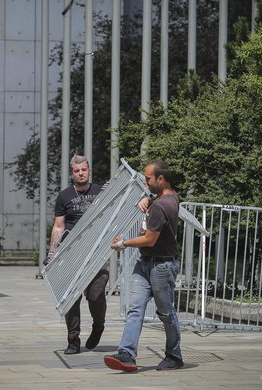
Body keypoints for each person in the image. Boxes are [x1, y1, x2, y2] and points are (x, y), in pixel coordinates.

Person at [104, 159, 183, 372]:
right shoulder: (169, 197)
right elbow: (151, 220)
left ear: (160, 178)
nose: (145, 181)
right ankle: (127, 354)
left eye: (148, 179)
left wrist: (123, 243)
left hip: (162, 266)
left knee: (166, 313)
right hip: (145, 263)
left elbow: (149, 240)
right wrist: (146, 198)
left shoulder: (162, 205)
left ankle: (174, 356)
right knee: (135, 308)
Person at [45, 155, 108, 355]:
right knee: (71, 297)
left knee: (96, 294)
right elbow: (59, 226)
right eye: (76, 170)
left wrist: (111, 192)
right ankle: (73, 338)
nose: (81, 173)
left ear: (89, 171)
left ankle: (98, 325)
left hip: (95, 252)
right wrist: (52, 252)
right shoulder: (64, 196)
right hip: (71, 253)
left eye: (84, 170)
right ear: (72, 173)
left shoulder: (101, 192)